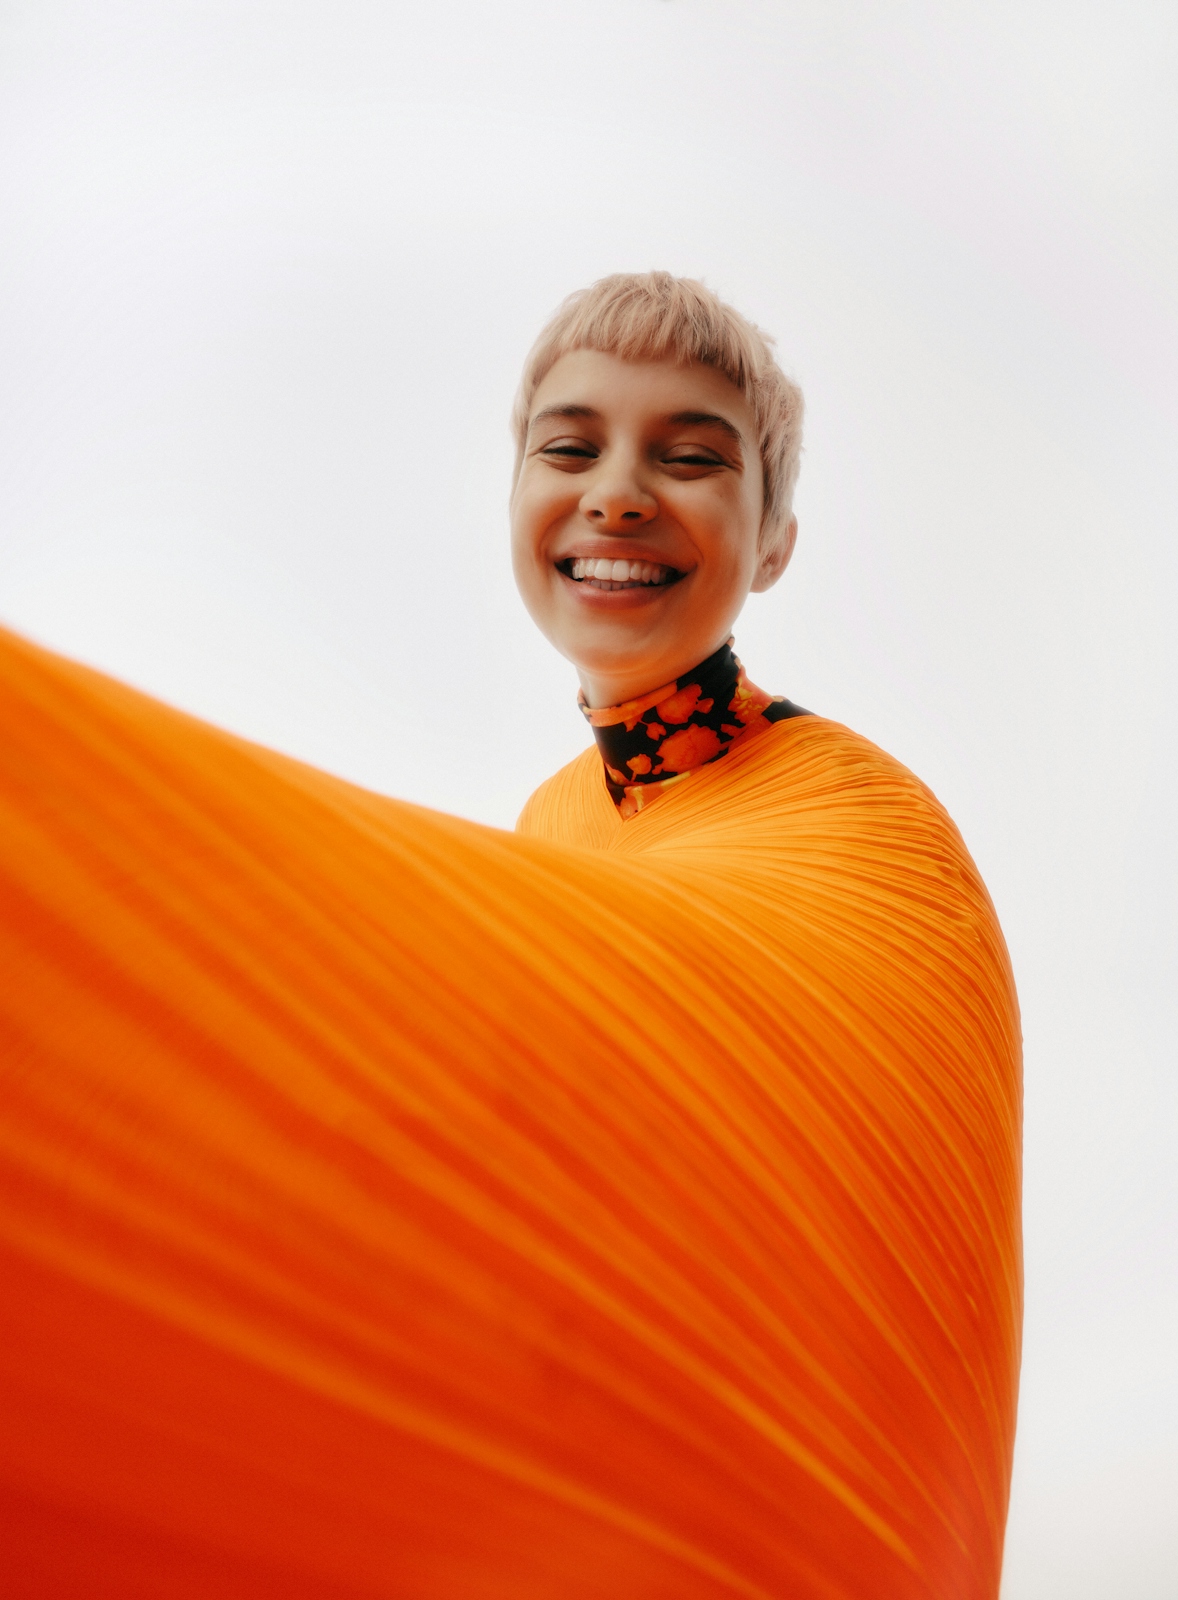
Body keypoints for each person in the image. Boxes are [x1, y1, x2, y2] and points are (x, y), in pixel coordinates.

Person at [0, 273, 1021, 1598]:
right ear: (516, 501)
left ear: (774, 542)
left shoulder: (864, 827)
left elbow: (844, 1254)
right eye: (571, 447)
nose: (619, 493)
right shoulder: (555, 817)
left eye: (692, 457)